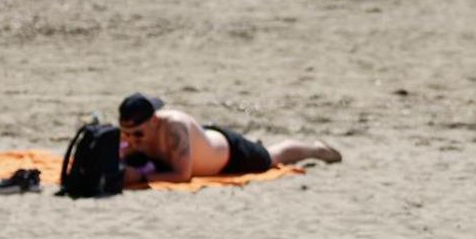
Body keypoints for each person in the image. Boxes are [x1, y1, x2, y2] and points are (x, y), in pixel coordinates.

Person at [117, 93, 340, 184]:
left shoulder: (174, 128)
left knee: (272, 156)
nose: (132, 139)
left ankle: (316, 150)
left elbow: (182, 175)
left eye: (138, 134)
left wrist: (140, 176)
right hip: (205, 143)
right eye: (127, 133)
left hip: (230, 154)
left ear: (154, 121)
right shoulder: (133, 133)